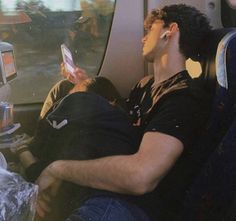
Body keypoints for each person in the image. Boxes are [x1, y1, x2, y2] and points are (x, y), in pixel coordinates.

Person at [35, 4, 212, 221]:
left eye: (149, 30)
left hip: (130, 204)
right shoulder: (144, 86)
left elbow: (140, 176)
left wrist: (58, 169)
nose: (142, 38)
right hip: (104, 189)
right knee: (64, 89)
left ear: (171, 30)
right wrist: (82, 85)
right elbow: (116, 126)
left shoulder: (183, 98)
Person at [11, 76, 144, 220]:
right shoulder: (122, 130)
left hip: (104, 204)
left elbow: (39, 173)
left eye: (70, 96)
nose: (63, 102)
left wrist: (22, 149)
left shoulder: (82, 111)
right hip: (116, 205)